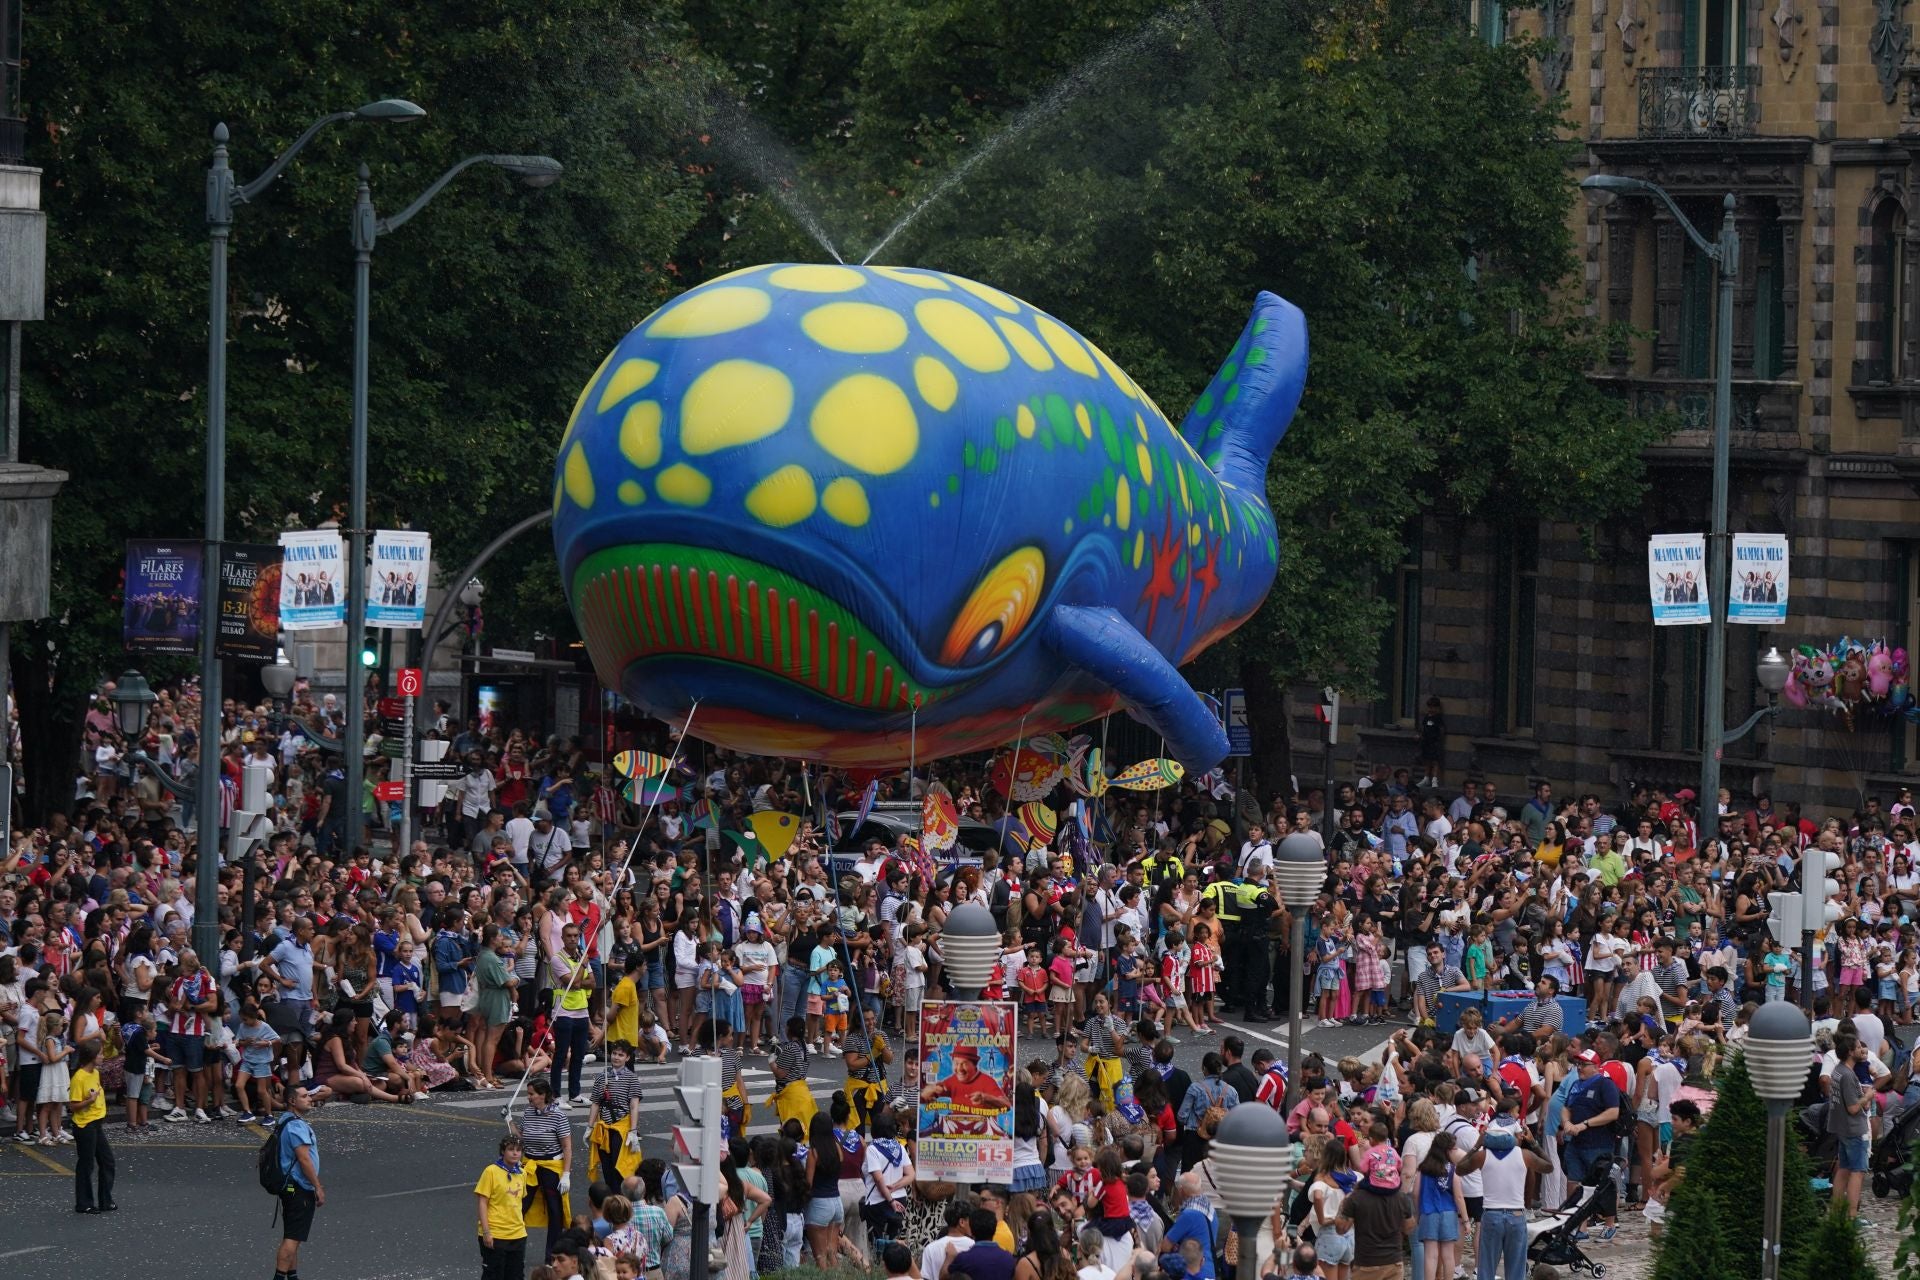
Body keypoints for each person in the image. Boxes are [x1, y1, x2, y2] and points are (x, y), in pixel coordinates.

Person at [271, 1085, 324, 1280]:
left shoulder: (286, 1120)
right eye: (304, 1096)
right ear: (292, 1101)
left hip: (290, 1187)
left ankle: (292, 1277)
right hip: (299, 1188)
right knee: (292, 1238)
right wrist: (317, 1186)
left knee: (293, 1236)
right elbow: (304, 1159)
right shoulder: (296, 1126)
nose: (309, 1099)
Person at [68, 1041, 115, 1214]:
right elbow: (73, 1105)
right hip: (84, 1125)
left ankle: (105, 1200)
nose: (103, 1057)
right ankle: (84, 1203)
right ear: (92, 1057)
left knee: (107, 1161)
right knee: (86, 1164)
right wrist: (89, 1101)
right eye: (100, 1054)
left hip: (96, 1122)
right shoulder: (79, 1078)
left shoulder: (95, 1073)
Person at [1828, 1031, 1871, 1216]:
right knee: (1857, 1171)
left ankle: (1837, 1210)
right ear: (1851, 1052)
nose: (1862, 1049)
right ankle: (1852, 1214)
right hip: (1854, 1129)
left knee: (1844, 1168)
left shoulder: (1838, 1070)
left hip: (1842, 1128)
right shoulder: (1847, 1075)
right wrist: (1867, 1096)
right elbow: (1853, 1108)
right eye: (1859, 1047)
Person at [477, 1134, 531, 1280]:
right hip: (496, 1234)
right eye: (511, 1149)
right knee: (494, 1275)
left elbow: (519, 1203)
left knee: (516, 1275)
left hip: (518, 1234)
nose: (515, 1153)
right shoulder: (491, 1171)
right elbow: (483, 1202)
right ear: (503, 1151)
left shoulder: (522, 1174)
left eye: (519, 1150)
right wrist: (487, 1232)